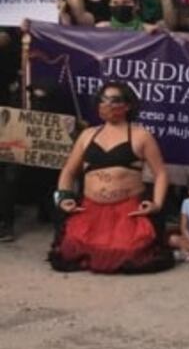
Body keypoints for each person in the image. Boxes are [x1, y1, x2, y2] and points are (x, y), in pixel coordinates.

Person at [49, 82, 173, 273]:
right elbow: (68, 171)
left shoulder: (141, 136)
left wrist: (156, 203)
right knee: (71, 247)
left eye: (114, 101)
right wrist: (64, 197)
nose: (107, 105)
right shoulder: (87, 135)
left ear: (128, 105)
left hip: (128, 210)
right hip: (90, 208)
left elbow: (161, 173)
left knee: (129, 253)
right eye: (103, 100)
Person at [94, 0, 161, 33]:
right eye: (115, 3)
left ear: (136, 5)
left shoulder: (149, 30)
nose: (120, 7)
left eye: (125, 2)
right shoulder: (101, 29)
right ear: (109, 4)